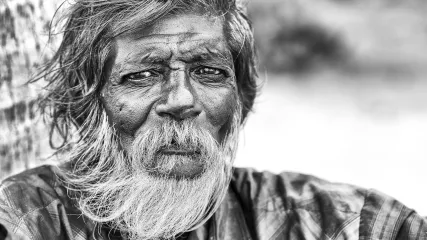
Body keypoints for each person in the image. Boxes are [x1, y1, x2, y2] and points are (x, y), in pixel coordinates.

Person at [0, 0, 426, 239]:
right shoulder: (27, 222)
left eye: (209, 71)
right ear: (85, 104)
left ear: (239, 100)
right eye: (142, 75)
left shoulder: (336, 223)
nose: (182, 100)